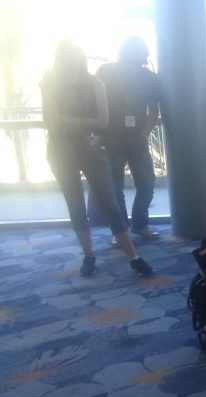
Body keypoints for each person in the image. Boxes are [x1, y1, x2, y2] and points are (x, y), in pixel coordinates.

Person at [41, 40, 153, 277]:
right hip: (61, 151)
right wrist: (73, 122)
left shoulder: (95, 83)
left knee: (110, 201)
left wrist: (66, 120)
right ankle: (89, 255)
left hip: (90, 147)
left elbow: (102, 121)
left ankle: (133, 256)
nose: (72, 64)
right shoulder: (50, 84)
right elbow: (51, 122)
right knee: (75, 205)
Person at [96, 36, 162, 246]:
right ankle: (120, 230)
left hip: (137, 139)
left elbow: (153, 110)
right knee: (114, 187)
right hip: (110, 138)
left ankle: (140, 224)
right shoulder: (105, 72)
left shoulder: (149, 77)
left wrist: (144, 134)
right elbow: (95, 103)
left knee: (147, 182)